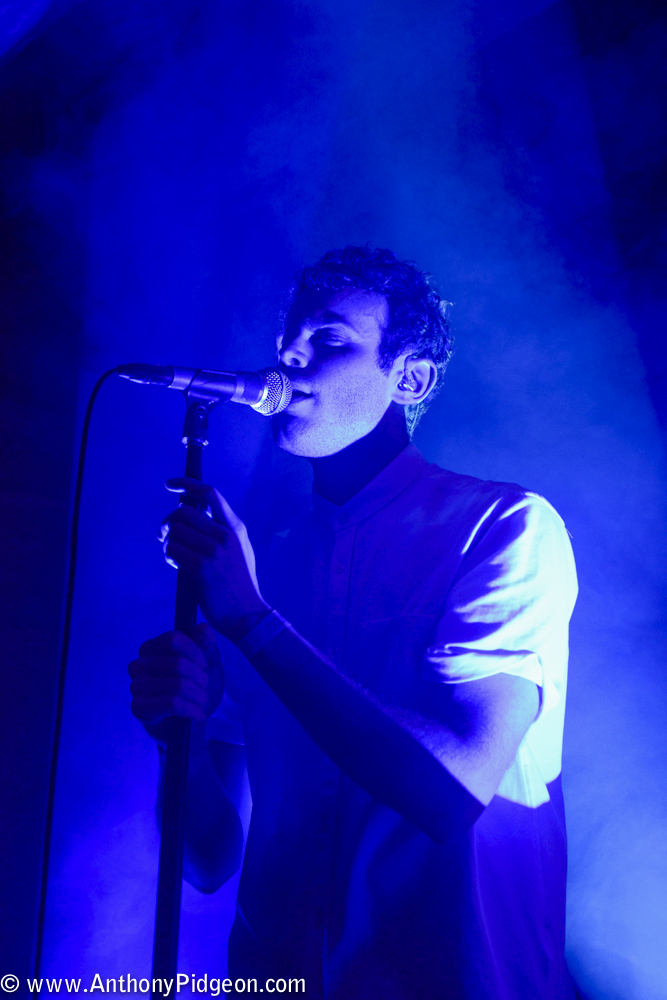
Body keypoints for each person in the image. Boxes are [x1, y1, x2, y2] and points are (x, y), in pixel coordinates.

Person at [129, 246, 578, 999]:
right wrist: (178, 735)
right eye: (287, 342)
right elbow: (207, 858)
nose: (290, 358)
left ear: (410, 379)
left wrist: (253, 623)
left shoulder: (502, 526)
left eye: (330, 340)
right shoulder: (264, 565)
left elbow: (454, 791)